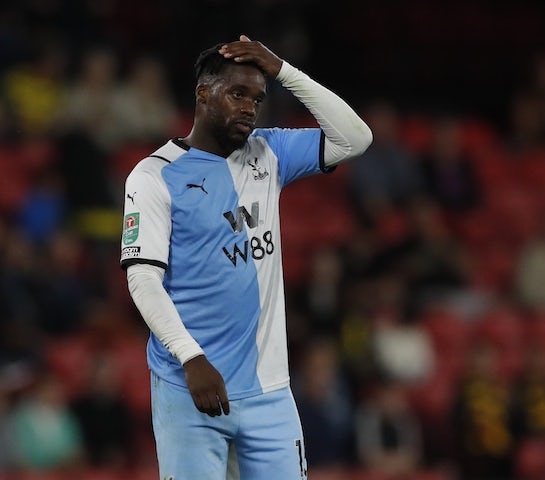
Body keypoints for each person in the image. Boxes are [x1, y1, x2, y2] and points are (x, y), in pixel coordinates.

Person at [120, 35, 372, 479]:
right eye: (237, 94)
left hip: (269, 392)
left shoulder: (269, 152)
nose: (249, 108)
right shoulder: (153, 176)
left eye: (257, 99)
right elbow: (142, 280)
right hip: (190, 385)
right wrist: (190, 357)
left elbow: (356, 138)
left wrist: (283, 70)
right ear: (203, 93)